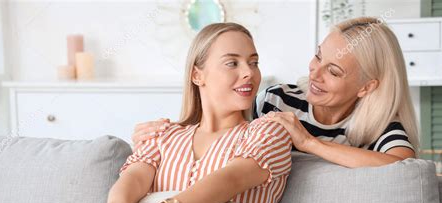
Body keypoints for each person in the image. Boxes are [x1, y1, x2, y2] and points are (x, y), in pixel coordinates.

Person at [37, 22, 292, 203]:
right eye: (232, 63)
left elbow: (231, 178)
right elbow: (134, 175)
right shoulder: (164, 134)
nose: (249, 72)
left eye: (253, 62)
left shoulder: (267, 133)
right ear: (198, 75)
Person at [133, 17, 419, 168]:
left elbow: (404, 167)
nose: (314, 74)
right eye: (318, 57)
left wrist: (309, 143)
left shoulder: (381, 128)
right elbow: (226, 136)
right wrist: (169, 135)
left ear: (367, 86)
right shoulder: (278, 100)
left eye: (333, 71)